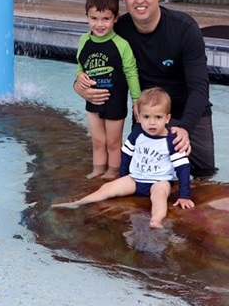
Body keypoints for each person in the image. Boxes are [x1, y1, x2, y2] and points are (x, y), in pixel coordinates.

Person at [74, 0, 217, 178]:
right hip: (146, 114)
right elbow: (88, 62)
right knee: (139, 175)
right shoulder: (116, 31)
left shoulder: (184, 29)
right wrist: (79, 86)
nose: (139, 0)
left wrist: (185, 127)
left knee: (204, 174)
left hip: (186, 112)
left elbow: (199, 87)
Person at [53, 87, 194, 228]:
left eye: (158, 117)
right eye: (146, 117)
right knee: (107, 188)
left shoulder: (171, 140)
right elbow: (126, 155)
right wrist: (123, 177)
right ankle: (78, 203)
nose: (152, 122)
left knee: (159, 196)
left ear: (167, 118)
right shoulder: (137, 133)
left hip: (159, 181)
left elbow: (183, 167)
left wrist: (184, 195)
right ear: (138, 117)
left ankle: (156, 220)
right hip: (135, 179)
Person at [75, 0, 140, 180]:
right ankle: (98, 169)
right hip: (93, 101)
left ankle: (113, 171)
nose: (99, 24)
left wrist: (137, 99)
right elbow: (80, 65)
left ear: (115, 18)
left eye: (105, 19)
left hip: (115, 101)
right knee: (97, 141)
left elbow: (131, 73)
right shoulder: (84, 40)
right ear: (86, 16)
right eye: (94, 18)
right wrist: (80, 76)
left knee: (113, 142)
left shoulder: (121, 44)